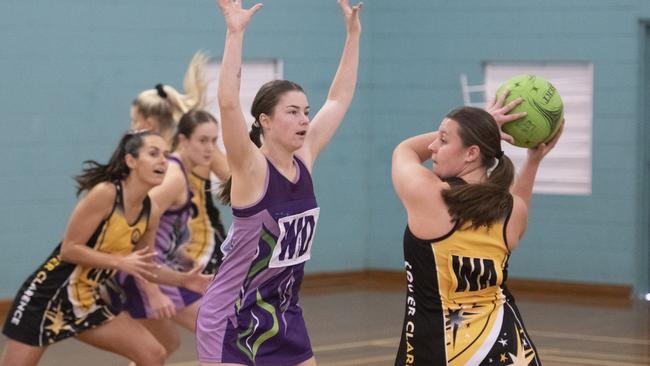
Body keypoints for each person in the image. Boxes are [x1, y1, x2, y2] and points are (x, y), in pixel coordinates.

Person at [195, 0, 362, 365]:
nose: (304, 119)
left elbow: (339, 97)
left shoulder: (304, 158)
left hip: (283, 313)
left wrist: (353, 34)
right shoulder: (252, 168)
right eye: (292, 112)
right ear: (265, 120)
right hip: (231, 319)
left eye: (306, 111)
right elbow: (226, 103)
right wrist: (234, 34)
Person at [0, 130, 205, 366]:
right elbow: (69, 249)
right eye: (153, 153)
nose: (163, 160)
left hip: (87, 300)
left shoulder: (151, 211)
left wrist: (183, 280)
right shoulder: (105, 193)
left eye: (166, 155)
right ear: (131, 161)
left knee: (153, 354)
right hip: (47, 296)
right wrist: (120, 262)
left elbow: (145, 267)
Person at [391, 92, 562, 365]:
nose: (433, 146)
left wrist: (487, 124)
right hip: (509, 347)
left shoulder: (429, 196)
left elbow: (405, 150)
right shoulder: (512, 212)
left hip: (443, 350)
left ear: (472, 153)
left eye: (443, 140)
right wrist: (532, 161)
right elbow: (518, 207)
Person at [119, 110, 220, 359]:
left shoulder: (182, 174)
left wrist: (183, 257)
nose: (209, 149)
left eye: (214, 141)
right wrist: (151, 289)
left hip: (160, 268)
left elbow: (163, 231)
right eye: (202, 140)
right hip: (148, 274)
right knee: (220, 332)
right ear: (183, 140)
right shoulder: (173, 178)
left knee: (162, 347)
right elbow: (138, 226)